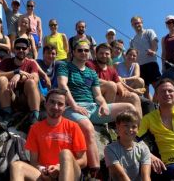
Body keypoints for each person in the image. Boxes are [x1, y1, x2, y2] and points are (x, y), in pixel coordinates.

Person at [57, 40, 135, 176]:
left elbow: (97, 95)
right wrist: (74, 106)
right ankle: (95, 171)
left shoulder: (91, 73)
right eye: (80, 50)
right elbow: (63, 86)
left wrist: (104, 104)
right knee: (88, 128)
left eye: (86, 50)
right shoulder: (65, 66)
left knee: (129, 107)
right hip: (71, 107)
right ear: (74, 52)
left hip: (92, 108)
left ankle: (130, 144)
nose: (83, 53)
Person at [10, 89, 87, 181]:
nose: (55, 106)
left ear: (64, 107)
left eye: (60, 104)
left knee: (65, 153)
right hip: (46, 175)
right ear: (45, 104)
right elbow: (34, 161)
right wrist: (42, 170)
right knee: (16, 166)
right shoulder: (35, 128)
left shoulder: (73, 127)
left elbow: (83, 161)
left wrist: (60, 167)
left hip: (70, 173)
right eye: (52, 102)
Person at [88, 43, 144, 117]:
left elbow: (119, 83)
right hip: (94, 95)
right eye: (101, 53)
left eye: (107, 54)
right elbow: (93, 80)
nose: (104, 55)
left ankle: (139, 126)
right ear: (96, 54)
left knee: (134, 97)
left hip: (111, 96)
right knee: (111, 85)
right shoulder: (90, 64)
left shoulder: (112, 70)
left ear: (111, 55)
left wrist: (125, 91)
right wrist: (114, 85)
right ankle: (105, 120)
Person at [0, 38, 40, 127]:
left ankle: (34, 117)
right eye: (18, 48)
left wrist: (20, 76)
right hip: (10, 96)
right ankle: (7, 114)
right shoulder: (6, 61)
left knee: (31, 82)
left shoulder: (31, 63)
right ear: (14, 49)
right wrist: (16, 72)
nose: (21, 50)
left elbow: (35, 79)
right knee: (2, 79)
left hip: (26, 97)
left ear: (28, 50)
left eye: (24, 48)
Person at [104, 110, 151, 181]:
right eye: (126, 125)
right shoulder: (110, 149)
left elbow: (146, 176)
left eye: (134, 126)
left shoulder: (143, 148)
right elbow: (121, 176)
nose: (130, 129)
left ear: (138, 129)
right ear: (118, 127)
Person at [129, 16, 160, 100]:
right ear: (132, 25)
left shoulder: (149, 32)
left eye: (138, 23)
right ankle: (151, 107)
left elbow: (155, 41)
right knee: (145, 90)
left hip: (151, 63)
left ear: (142, 23)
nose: (137, 25)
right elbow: (133, 53)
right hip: (140, 67)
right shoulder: (132, 40)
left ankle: (157, 105)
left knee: (158, 87)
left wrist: (153, 50)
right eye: (134, 24)